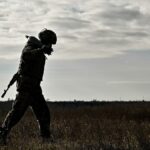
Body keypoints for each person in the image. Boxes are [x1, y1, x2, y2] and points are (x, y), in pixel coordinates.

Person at [0, 28, 57, 145]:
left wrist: (42, 50)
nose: (50, 46)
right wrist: (41, 49)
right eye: (50, 43)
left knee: (44, 113)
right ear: (45, 41)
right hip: (26, 87)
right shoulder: (30, 46)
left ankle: (46, 139)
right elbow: (26, 55)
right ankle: (2, 135)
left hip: (35, 88)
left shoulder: (37, 48)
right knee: (16, 114)